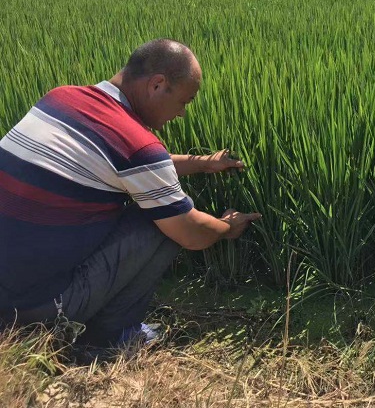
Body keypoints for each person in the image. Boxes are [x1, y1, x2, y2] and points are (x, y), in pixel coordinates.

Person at [0, 38, 261, 351]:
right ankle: (108, 338)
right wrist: (228, 227)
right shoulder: (137, 146)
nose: (182, 114)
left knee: (158, 203)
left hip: (8, 289)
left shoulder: (61, 99)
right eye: (184, 102)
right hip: (35, 309)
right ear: (157, 84)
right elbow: (190, 232)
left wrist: (203, 163)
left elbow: (125, 163)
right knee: (164, 220)